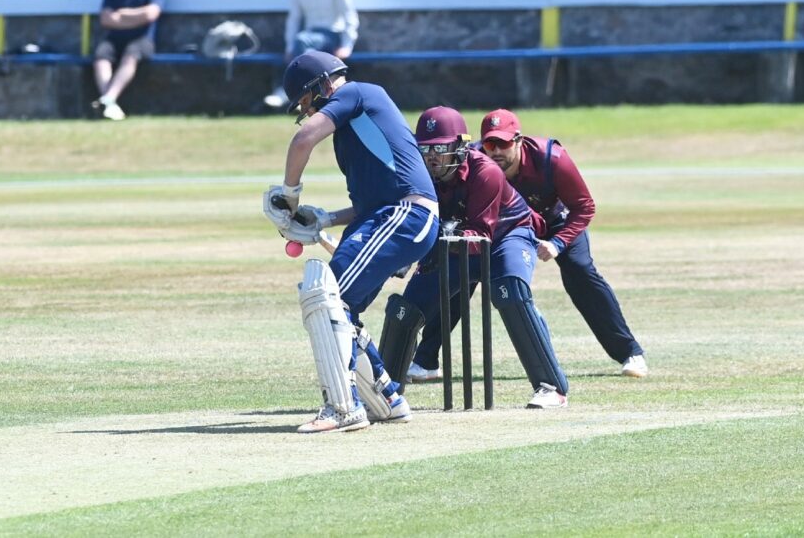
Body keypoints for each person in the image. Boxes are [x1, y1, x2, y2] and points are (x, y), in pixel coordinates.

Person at [263, 50, 439, 433]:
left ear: (323, 84)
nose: (308, 112)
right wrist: (323, 218)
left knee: (326, 298)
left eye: (308, 102)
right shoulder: (354, 131)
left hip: (405, 215)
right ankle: (387, 399)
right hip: (389, 216)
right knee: (339, 307)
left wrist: (289, 195)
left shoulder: (358, 93)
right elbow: (366, 206)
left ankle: (344, 408)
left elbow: (302, 141)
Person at [412, 108, 648, 379]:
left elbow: (584, 206)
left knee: (580, 271)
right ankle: (426, 360)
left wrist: (558, 243)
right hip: (506, 227)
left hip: (556, 222)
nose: (496, 151)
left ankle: (630, 352)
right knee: (460, 273)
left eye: (503, 143)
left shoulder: (553, 159)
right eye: (489, 143)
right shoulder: (474, 162)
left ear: (519, 141)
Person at [377, 106, 570, 409]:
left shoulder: (486, 172)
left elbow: (480, 235)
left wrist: (433, 239)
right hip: (454, 242)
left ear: (460, 147)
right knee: (406, 306)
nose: (432, 157)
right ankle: (384, 393)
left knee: (511, 291)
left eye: (441, 149)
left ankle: (551, 387)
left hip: (507, 235)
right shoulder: (417, 175)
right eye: (426, 149)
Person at [264, 0, 359, 109]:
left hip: (332, 35)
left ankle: (291, 92)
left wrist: (346, 45)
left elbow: (349, 15)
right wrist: (290, 47)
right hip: (309, 37)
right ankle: (307, 98)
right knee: (307, 52)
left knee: (302, 42)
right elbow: (294, 18)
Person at [92, 0, 165, 121]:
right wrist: (136, 18)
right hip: (115, 39)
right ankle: (109, 101)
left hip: (143, 40)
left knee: (131, 55)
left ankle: (108, 98)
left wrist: (122, 15)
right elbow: (106, 19)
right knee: (101, 56)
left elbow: (150, 14)